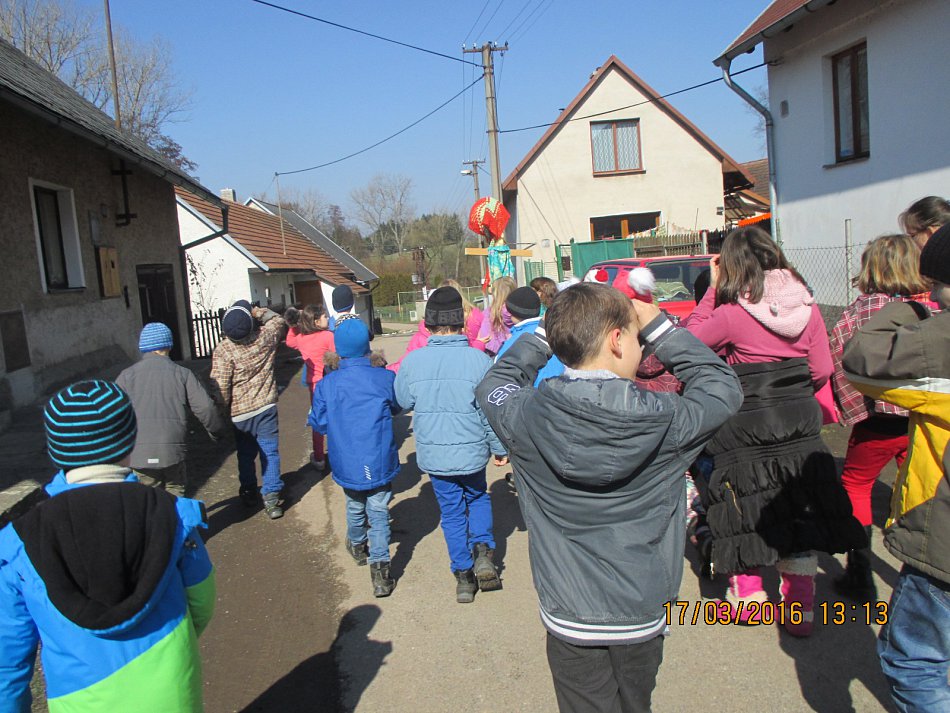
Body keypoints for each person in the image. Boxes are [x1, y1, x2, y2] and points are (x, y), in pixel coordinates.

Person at [476, 283, 742, 713]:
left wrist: (546, 333)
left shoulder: (526, 416)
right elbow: (721, 387)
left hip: (569, 612)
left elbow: (496, 382)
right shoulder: (668, 421)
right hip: (641, 608)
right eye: (638, 337)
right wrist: (662, 328)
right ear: (618, 340)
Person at [683, 226, 864, 636]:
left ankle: (749, 601)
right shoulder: (808, 308)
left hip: (744, 422)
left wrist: (712, 292)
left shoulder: (732, 314)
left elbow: (688, 344)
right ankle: (800, 609)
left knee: (742, 506)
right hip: (799, 418)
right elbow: (821, 370)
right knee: (797, 506)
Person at [0, 380, 215, 711]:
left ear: (56, 450)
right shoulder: (171, 513)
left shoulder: (20, 541)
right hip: (172, 691)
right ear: (130, 441)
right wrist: (174, 651)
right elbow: (201, 600)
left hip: (80, 699)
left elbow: (9, 659)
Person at [843, 223, 950, 712]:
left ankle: (858, 563)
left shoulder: (905, 322)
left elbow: (854, 360)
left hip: (880, 423)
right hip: (909, 432)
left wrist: (912, 307)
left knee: (856, 482)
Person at [829, 235, 933, 600]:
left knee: (856, 484)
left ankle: (860, 573)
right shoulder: (929, 306)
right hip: (923, 417)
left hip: (877, 418)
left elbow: (839, 354)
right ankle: (921, 572)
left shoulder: (863, 309)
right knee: (918, 488)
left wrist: (850, 407)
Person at [394, 287, 508, 603]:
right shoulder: (479, 360)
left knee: (452, 512)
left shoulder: (413, 362)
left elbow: (403, 400)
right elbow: (489, 412)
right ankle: (483, 549)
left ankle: (463, 576)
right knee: (478, 496)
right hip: (472, 450)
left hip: (435, 454)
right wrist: (499, 448)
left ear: (428, 323)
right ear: (462, 321)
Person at [309, 319, 400, 598]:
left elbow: (319, 422)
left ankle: (358, 544)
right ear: (366, 346)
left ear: (338, 350)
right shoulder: (384, 378)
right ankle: (381, 571)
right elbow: (396, 406)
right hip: (379, 456)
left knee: (354, 502)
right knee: (379, 509)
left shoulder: (327, 384)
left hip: (346, 457)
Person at [116, 322, 225, 497]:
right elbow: (205, 407)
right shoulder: (182, 374)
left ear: (143, 347)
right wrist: (216, 431)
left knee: (149, 498)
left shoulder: (126, 376)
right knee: (175, 493)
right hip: (172, 450)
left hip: (139, 452)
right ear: (169, 345)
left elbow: (115, 413)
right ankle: (174, 515)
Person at [209, 300, 287, 519]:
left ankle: (249, 490)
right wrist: (258, 312)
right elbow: (278, 320)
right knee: (269, 451)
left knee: (245, 454)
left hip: (240, 413)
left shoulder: (224, 350)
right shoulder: (264, 337)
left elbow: (221, 387)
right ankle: (271, 497)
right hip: (266, 406)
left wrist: (221, 412)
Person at [388, 281, 484, 373]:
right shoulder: (473, 318)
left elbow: (403, 366)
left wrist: (384, 372)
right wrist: (479, 344)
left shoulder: (420, 340)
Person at [285, 304, 335, 469]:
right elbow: (337, 355)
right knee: (335, 417)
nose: (327, 318)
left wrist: (294, 324)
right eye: (324, 316)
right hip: (330, 382)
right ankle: (337, 452)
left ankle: (319, 457)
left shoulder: (301, 339)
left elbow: (289, 341)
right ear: (316, 321)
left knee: (318, 419)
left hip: (314, 386)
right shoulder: (328, 336)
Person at [494, 286, 564, 385]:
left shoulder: (514, 341)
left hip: (532, 392)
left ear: (511, 312)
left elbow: (500, 376)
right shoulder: (553, 330)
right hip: (560, 387)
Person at [477, 275, 517, 356]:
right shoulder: (519, 311)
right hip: (516, 350)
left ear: (494, 294)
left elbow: (484, 336)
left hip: (494, 353)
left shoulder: (488, 313)